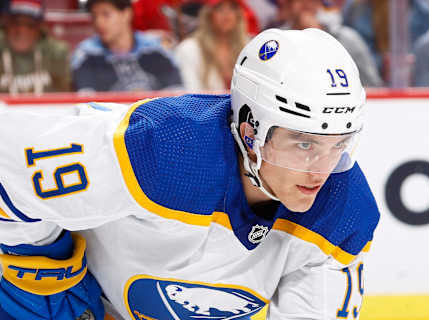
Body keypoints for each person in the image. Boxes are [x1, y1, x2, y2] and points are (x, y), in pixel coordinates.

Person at [0, 28, 380, 320]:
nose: (323, 169)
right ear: (250, 132)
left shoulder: (344, 212)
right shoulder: (160, 149)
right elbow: (9, 169)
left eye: (338, 144)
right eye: (304, 143)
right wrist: (44, 281)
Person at [70, 0, 183, 92]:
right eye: (94, 16)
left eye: (106, 14)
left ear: (126, 14)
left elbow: (176, 91)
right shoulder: (86, 53)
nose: (98, 22)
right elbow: (86, 100)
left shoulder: (155, 48)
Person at [279, 0, 383, 87]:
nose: (305, 4)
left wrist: (317, 36)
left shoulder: (347, 38)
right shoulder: (279, 40)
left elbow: (374, 86)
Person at [175, 0, 250, 91]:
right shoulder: (190, 48)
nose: (226, 15)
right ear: (208, 15)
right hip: (204, 104)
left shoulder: (249, 47)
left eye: (232, 8)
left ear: (238, 15)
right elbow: (190, 91)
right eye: (219, 9)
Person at [0, 0, 71, 94]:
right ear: (5, 24)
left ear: (40, 27)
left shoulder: (57, 53)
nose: (22, 30)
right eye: (15, 22)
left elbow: (65, 95)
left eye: (30, 24)